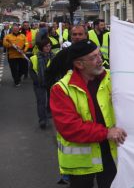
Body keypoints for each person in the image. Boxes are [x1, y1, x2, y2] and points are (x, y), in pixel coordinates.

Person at [50, 40, 127, 188]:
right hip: (82, 162)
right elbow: (70, 128)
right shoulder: (61, 89)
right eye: (93, 57)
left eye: (99, 55)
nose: (100, 60)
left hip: (112, 153)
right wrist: (106, 133)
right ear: (79, 64)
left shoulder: (114, 78)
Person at [46, 25, 88, 89]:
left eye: (80, 34)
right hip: (69, 91)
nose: (77, 37)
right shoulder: (63, 54)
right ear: (71, 36)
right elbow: (50, 73)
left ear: (86, 35)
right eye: (74, 34)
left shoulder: (93, 52)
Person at [29, 38, 55, 129]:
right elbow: (31, 71)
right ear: (41, 47)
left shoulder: (54, 57)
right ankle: (42, 120)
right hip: (39, 84)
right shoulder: (34, 58)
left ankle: (49, 113)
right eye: (46, 46)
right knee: (41, 102)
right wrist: (37, 81)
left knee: (51, 101)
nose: (48, 48)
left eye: (49, 46)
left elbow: (57, 70)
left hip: (51, 83)